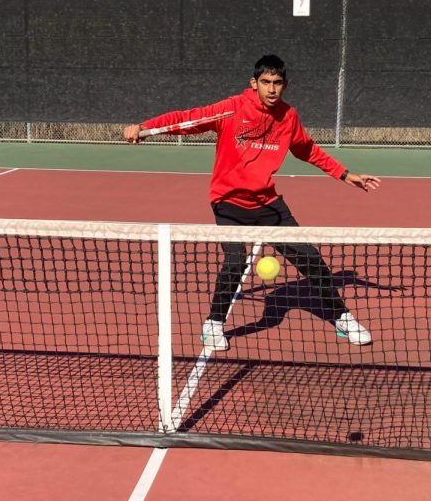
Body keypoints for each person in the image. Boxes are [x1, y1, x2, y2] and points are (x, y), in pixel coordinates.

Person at [124, 54, 381, 351]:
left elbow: (307, 150)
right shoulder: (232, 109)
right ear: (254, 83)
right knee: (235, 263)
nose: (272, 89)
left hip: (268, 204)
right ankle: (213, 324)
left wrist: (346, 174)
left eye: (278, 83)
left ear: (285, 85)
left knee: (310, 259)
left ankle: (341, 317)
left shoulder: (288, 117)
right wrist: (143, 127)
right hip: (229, 202)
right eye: (266, 82)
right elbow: (187, 119)